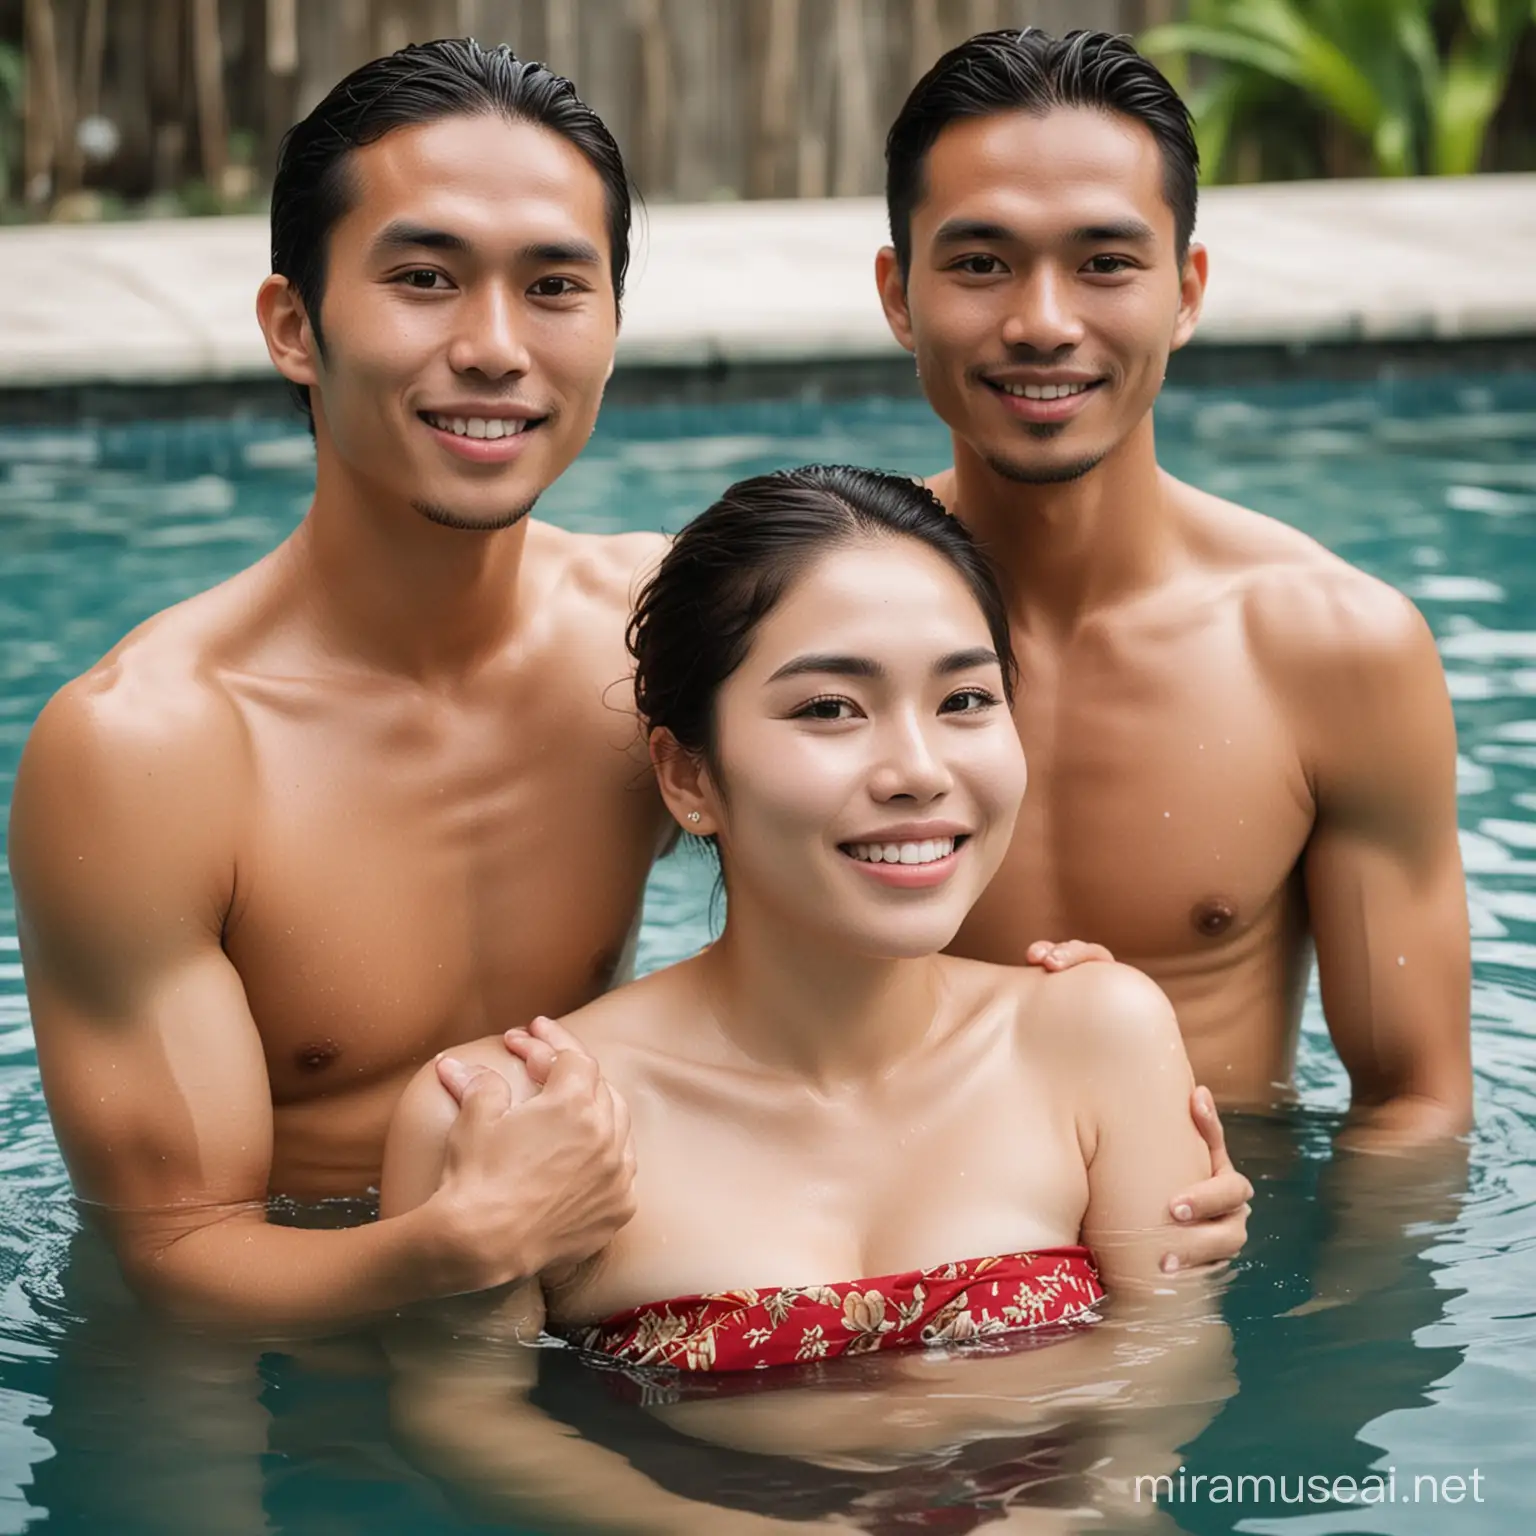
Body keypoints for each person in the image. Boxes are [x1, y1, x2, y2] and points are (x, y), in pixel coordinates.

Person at [10, 39, 1232, 1337]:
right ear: (294, 326)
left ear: (608, 327)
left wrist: (1111, 1100)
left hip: (648, 1317)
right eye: (425, 280)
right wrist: (450, 1249)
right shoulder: (150, 752)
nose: (493, 347)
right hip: (314, 1397)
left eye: (552, 286)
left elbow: (884, 827)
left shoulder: (652, 647)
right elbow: (174, 1253)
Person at [381, 465, 1232, 1534]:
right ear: (688, 776)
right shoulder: (506, 1116)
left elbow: (1175, 1360)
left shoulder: (1097, 1033)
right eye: (831, 708)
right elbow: (461, 1422)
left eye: (965, 699)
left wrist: (1073, 1516)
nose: (918, 770)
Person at [873, 29, 1472, 1151]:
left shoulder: (1331, 650)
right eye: (981, 262)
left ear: (1185, 292)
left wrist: (1328, 1320)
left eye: (1105, 263)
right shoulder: (800, 621)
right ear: (900, 295)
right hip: (876, 1269)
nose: (1044, 322)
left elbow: (1416, 1105)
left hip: (1230, 1259)